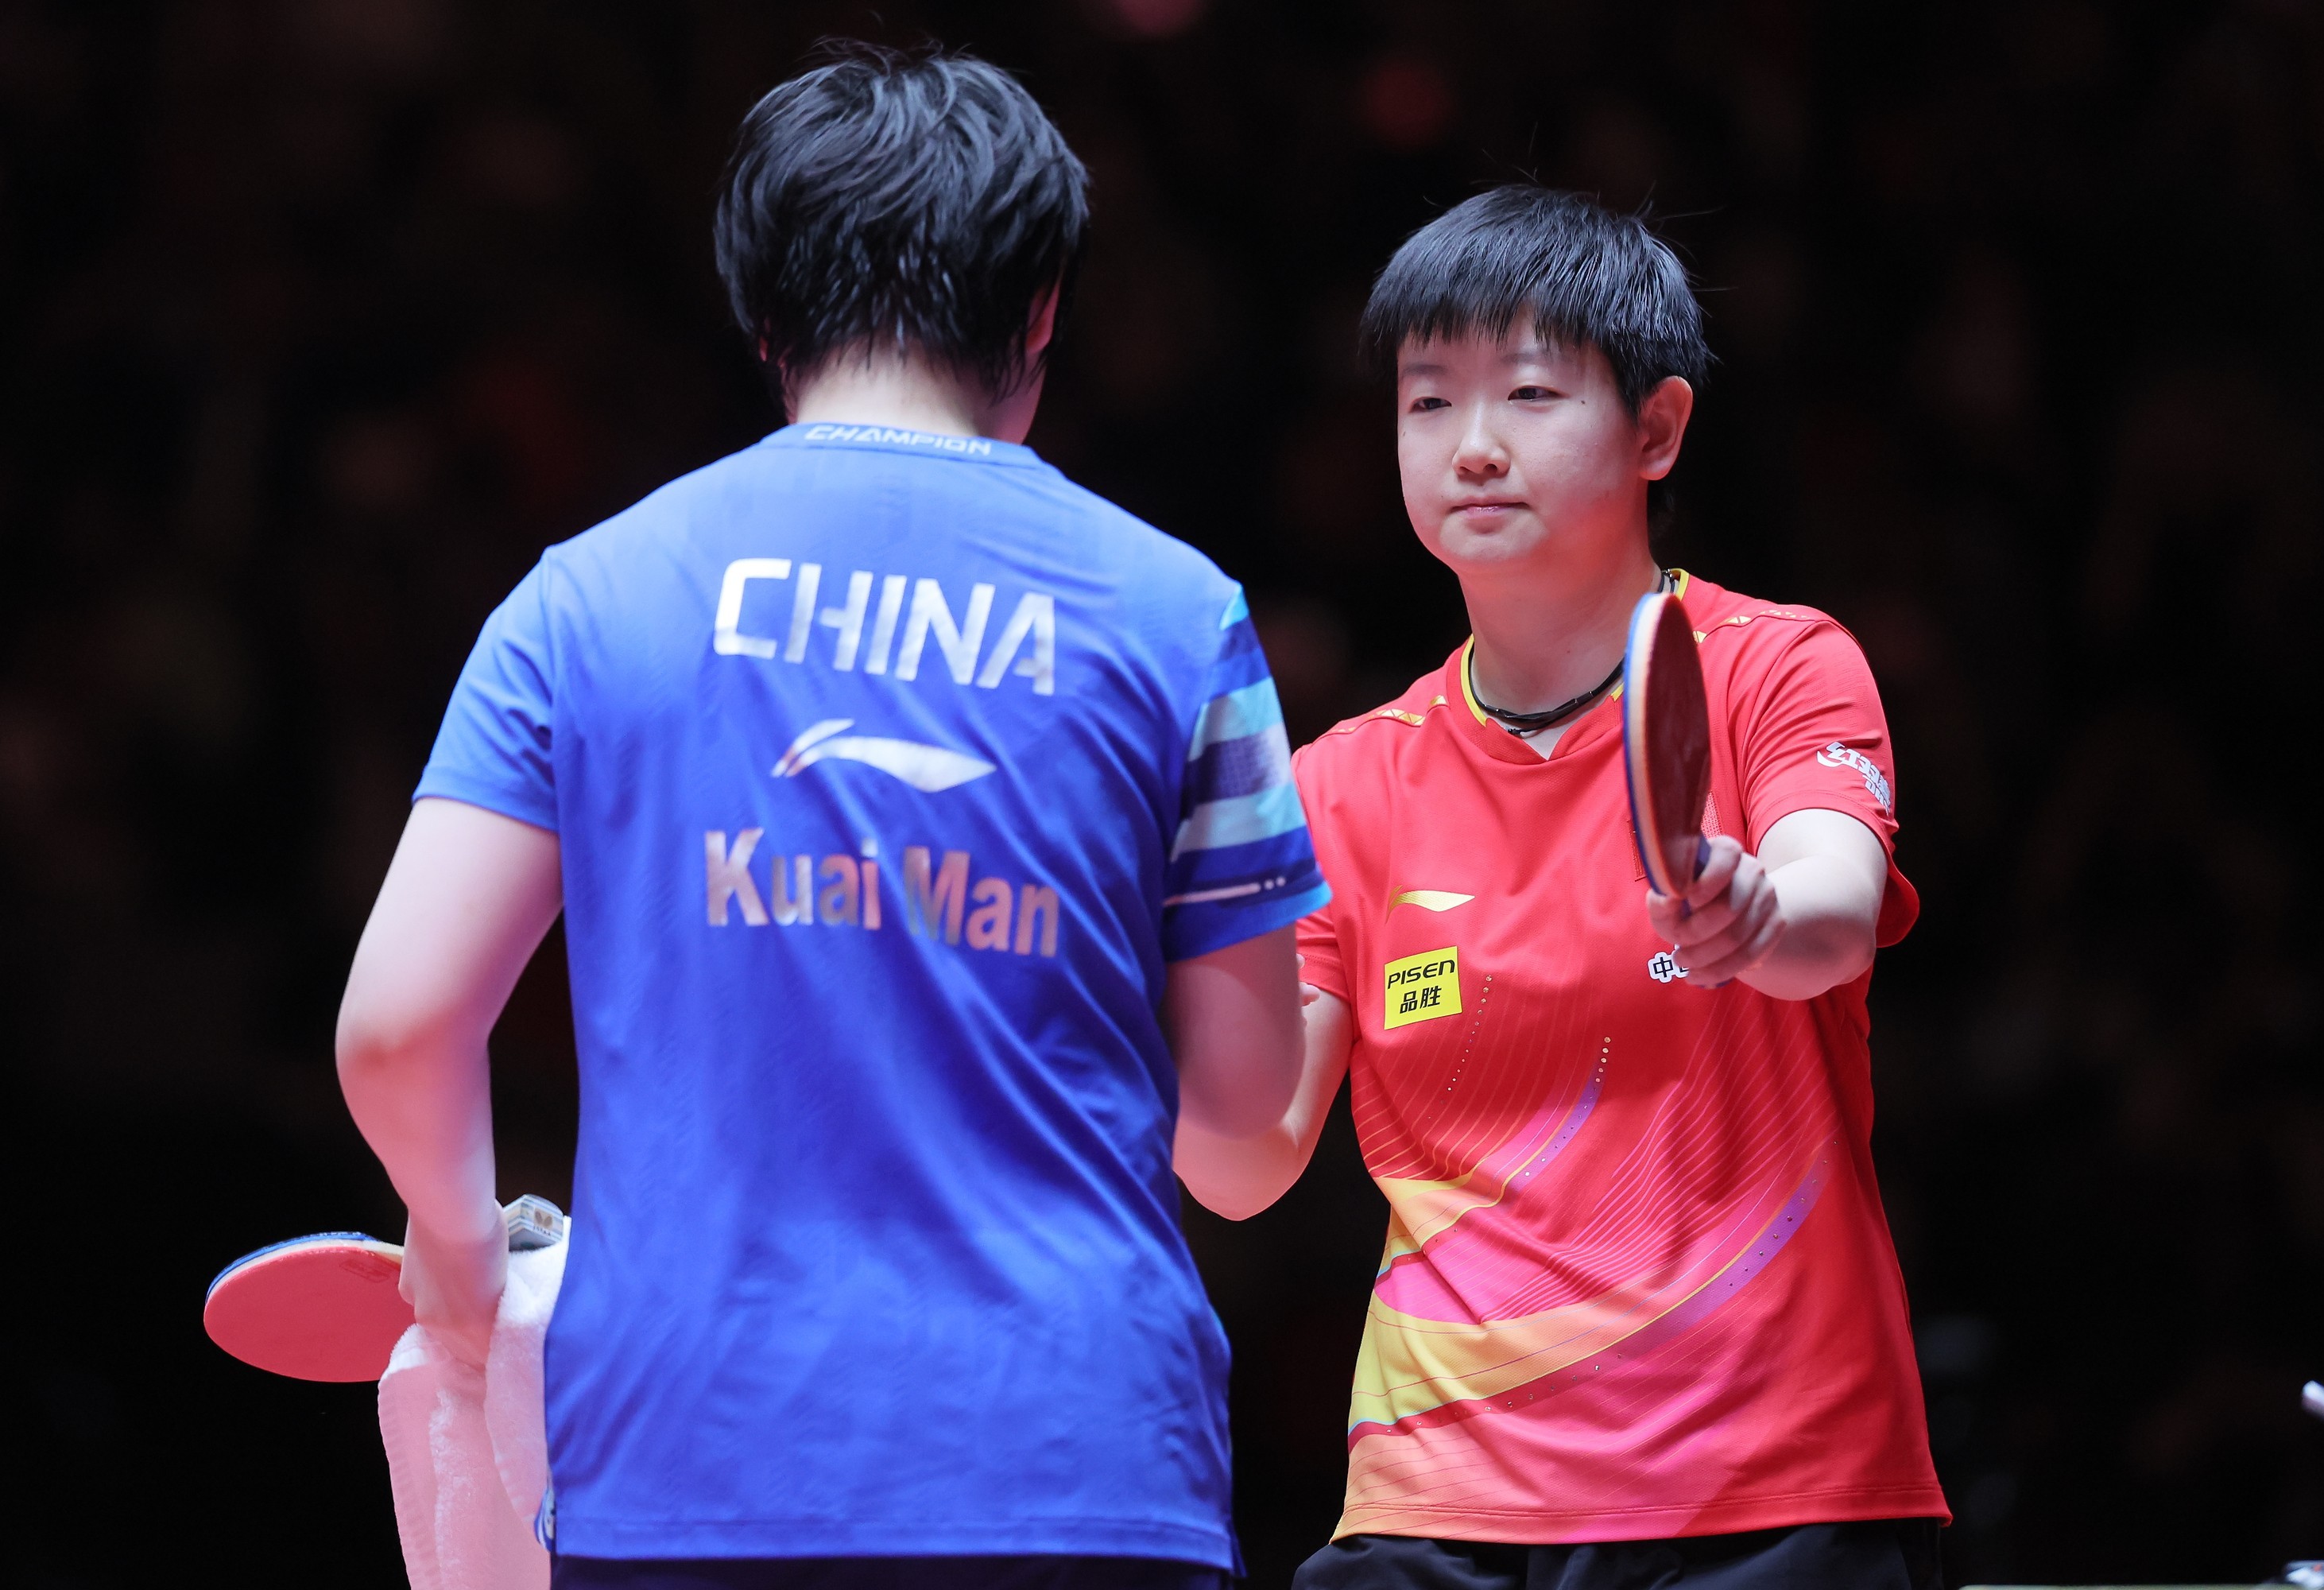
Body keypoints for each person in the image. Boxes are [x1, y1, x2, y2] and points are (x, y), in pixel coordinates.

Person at [335, 41, 1326, 1590]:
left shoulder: (584, 600)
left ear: (766, 315)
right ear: (1042, 309)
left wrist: (460, 1249)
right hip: (1072, 1471)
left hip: (686, 1463)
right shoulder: (1180, 616)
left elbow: (398, 1027)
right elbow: (1243, 1121)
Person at [1174, 186, 1947, 1589]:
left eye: (1530, 394)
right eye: (1428, 403)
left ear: (1658, 428)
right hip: (1441, 1508)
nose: (1472, 445)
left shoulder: (1776, 666)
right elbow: (1242, 1164)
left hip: (1769, 1489)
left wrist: (1753, 912)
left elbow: (1831, 914)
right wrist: (1113, 973)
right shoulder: (1342, 783)